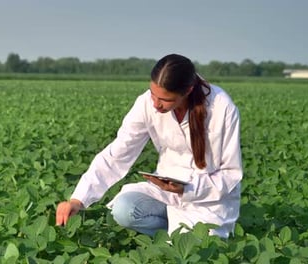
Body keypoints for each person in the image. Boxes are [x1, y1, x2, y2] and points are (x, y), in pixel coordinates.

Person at [55, 54, 242, 238]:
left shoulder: (221, 107)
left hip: (209, 202)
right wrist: (77, 200)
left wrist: (188, 189)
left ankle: (178, 239)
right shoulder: (147, 103)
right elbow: (117, 153)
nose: (156, 105)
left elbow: (231, 174)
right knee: (124, 209)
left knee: (201, 245)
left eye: (166, 100)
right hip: (165, 195)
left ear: (187, 91)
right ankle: (172, 237)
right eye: (153, 94)